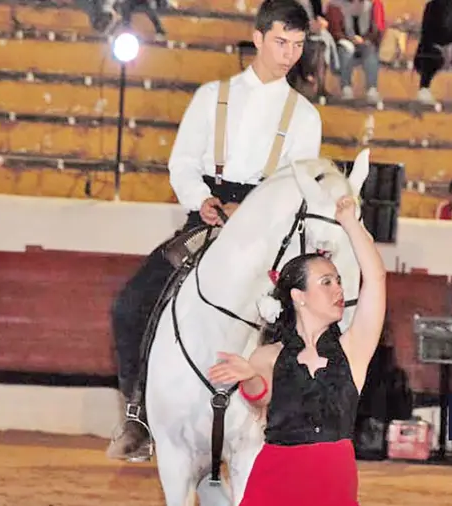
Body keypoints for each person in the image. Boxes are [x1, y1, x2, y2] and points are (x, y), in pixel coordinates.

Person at [106, 0, 323, 460]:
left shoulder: (305, 116)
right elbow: (183, 162)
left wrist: (245, 212)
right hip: (204, 221)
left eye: (298, 46)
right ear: (259, 37)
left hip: (266, 234)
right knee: (130, 307)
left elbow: (294, 188)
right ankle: (139, 415)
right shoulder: (212, 96)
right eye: (281, 42)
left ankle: (298, 424)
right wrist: (200, 201)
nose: (289, 54)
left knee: (309, 319)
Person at [208, 195, 386, 505]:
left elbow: (375, 278)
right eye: (326, 282)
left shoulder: (354, 348)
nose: (339, 290)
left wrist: (351, 224)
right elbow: (260, 396)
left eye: (339, 281)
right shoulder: (268, 355)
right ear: (298, 296)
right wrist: (248, 375)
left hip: (334, 487)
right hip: (275, 482)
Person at [413, 0, 452, 106]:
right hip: (433, 45)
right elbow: (426, 32)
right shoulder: (431, 6)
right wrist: (441, 47)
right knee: (431, 55)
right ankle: (424, 89)